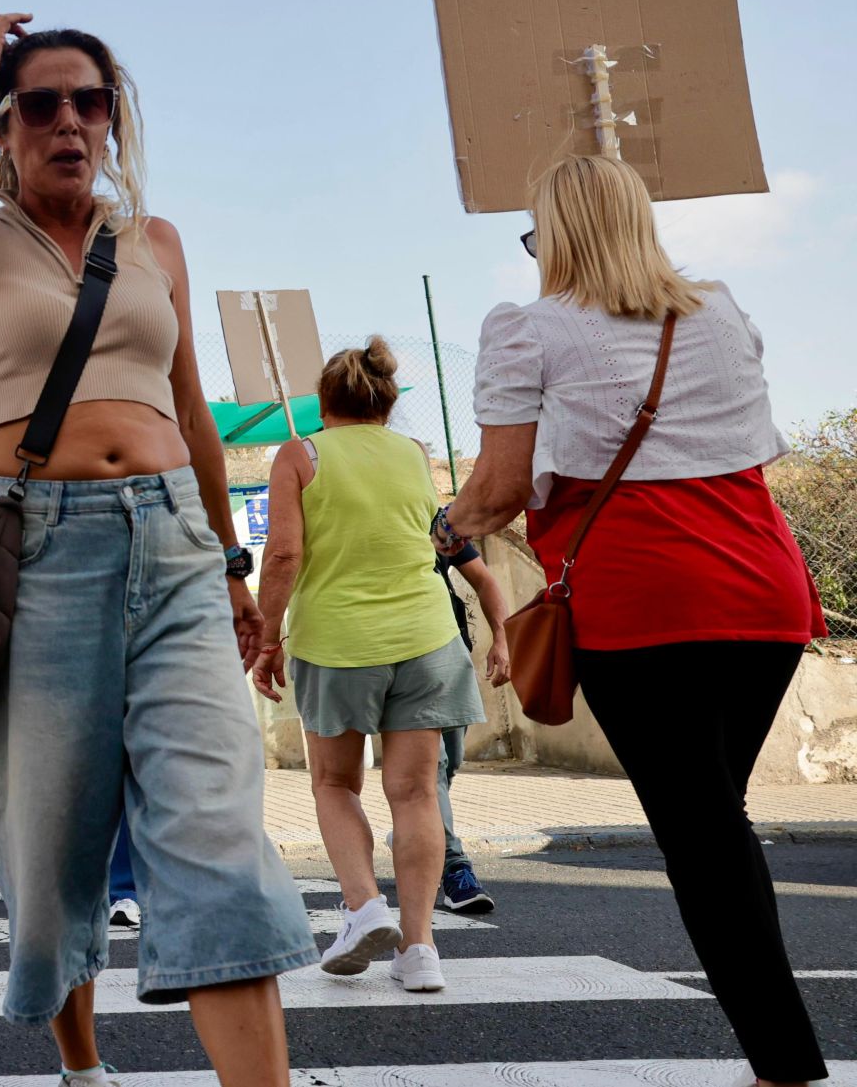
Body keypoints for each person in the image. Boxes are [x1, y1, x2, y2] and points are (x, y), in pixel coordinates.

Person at [0, 15, 314, 1086]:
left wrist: (230, 563)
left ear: (113, 120)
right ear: (4, 128)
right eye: (42, 104)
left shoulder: (155, 243)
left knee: (216, 833)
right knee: (55, 844)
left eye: (91, 102)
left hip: (173, 543)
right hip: (42, 555)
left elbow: (194, 412)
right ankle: (83, 1066)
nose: (69, 122)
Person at [438, 154, 827, 1087]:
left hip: (645, 600)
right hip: (767, 591)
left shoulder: (526, 329)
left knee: (702, 831)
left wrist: (444, 524)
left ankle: (785, 1062)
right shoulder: (722, 309)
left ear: (556, 236)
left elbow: (495, 488)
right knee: (712, 820)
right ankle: (780, 1053)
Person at [250, 338, 488, 995]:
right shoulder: (415, 456)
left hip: (338, 644)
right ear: (385, 401)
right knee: (414, 793)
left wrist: (267, 638)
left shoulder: (300, 454)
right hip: (428, 639)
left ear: (324, 403)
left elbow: (284, 554)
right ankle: (420, 949)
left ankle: (362, 909)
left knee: (334, 784)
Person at [429, 538, 509, 913]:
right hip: (404, 658)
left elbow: (484, 580)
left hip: (451, 656)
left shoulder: (439, 522)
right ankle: (454, 867)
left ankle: (414, 833)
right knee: (433, 770)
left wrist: (501, 638)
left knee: (451, 762)